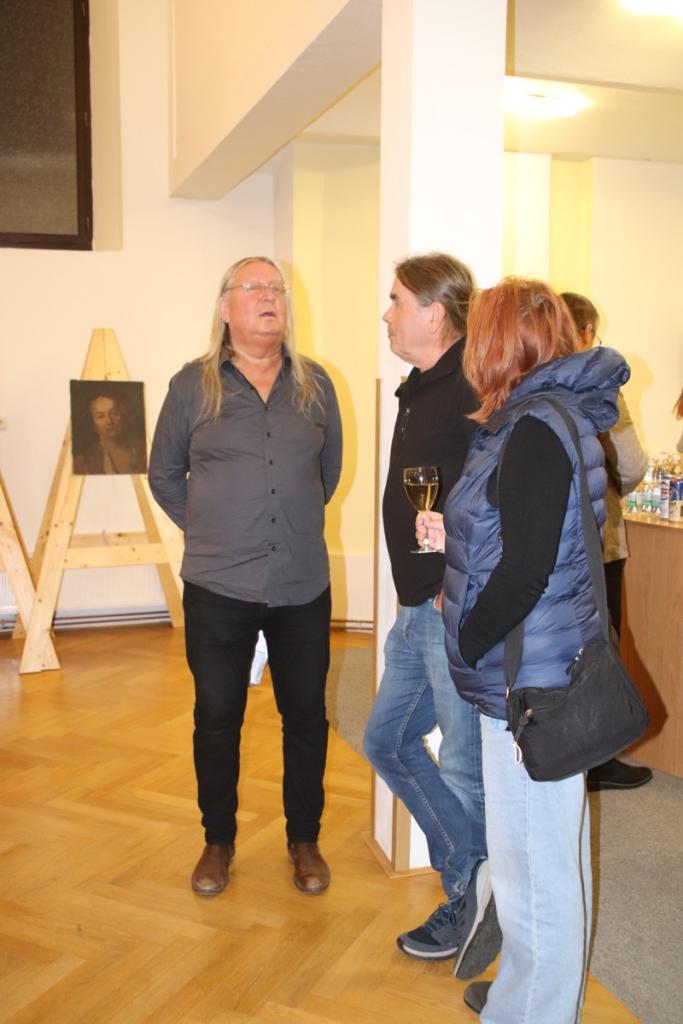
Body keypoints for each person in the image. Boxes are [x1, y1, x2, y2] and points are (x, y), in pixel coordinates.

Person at [418, 278, 629, 1022]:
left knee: (534, 872)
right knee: (541, 860)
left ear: (499, 344)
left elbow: (526, 569)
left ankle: (535, 1010)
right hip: (531, 667)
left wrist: (468, 639)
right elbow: (520, 535)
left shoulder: (536, 426)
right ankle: (528, 995)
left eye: (477, 334)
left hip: (525, 681)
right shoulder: (538, 417)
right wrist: (455, 538)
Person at [149, 256, 342, 897]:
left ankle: (304, 840)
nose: (269, 296)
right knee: (216, 716)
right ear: (225, 307)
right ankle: (217, 841)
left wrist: (283, 524)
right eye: (253, 287)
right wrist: (212, 528)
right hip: (218, 585)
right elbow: (163, 474)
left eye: (276, 288)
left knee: (306, 716)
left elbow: (328, 472)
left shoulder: (315, 385)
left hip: (301, 583)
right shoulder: (192, 385)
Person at [363, 253, 497, 977]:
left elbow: (494, 498)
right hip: (415, 609)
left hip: (450, 611)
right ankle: (473, 881)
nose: (386, 314)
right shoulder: (417, 388)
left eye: (395, 301)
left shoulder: (472, 388)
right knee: (385, 742)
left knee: (466, 770)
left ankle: (469, 901)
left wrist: (457, 583)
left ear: (434, 313)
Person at [561, 292, 652, 792]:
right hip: (599, 540)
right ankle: (597, 760)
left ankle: (562, 750)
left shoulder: (530, 381)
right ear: (586, 333)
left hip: (551, 545)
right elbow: (632, 465)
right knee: (601, 646)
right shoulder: (602, 385)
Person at [73, 392, 147, 474]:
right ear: (93, 423)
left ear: (123, 415)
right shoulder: (83, 462)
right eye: (101, 416)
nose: (109, 421)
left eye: (114, 413)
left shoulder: (144, 448)